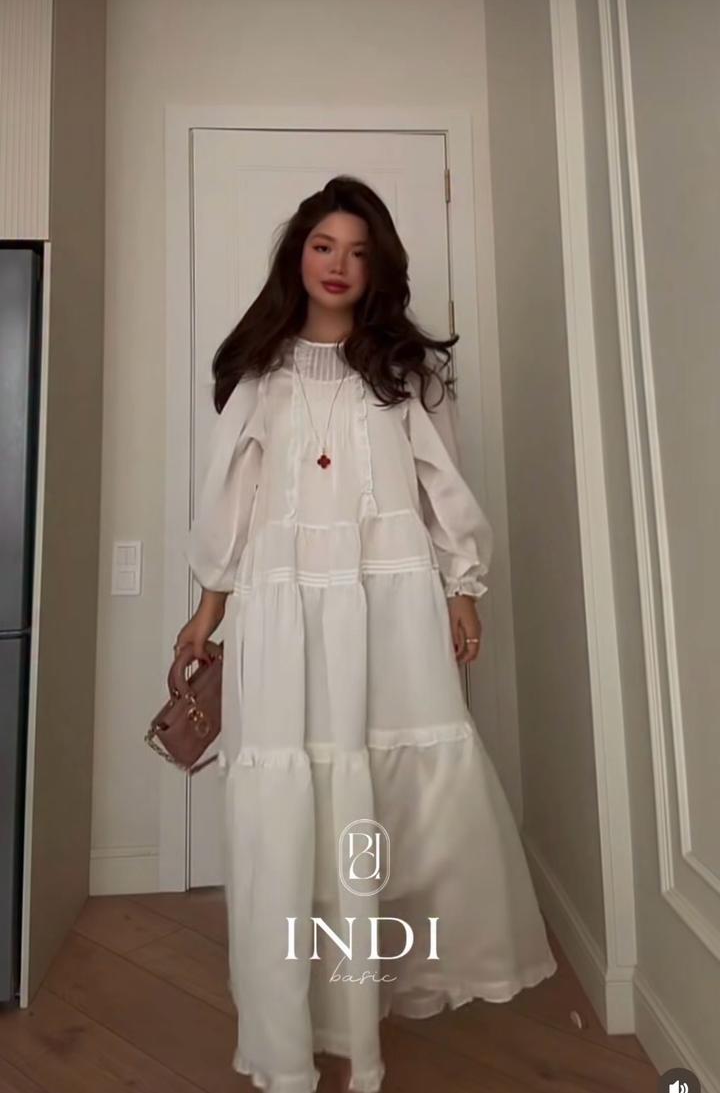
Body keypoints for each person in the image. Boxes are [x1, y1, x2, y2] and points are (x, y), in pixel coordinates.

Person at [174, 176, 557, 1093]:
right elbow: (232, 506)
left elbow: (442, 486)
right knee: (291, 805)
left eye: (357, 250)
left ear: (377, 265)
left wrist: (464, 586)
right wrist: (208, 609)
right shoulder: (259, 375)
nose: (338, 264)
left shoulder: (406, 373)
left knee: (386, 791)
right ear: (298, 256)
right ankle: (291, 1030)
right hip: (283, 608)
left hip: (390, 604)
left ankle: (367, 1010)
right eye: (323, 245)